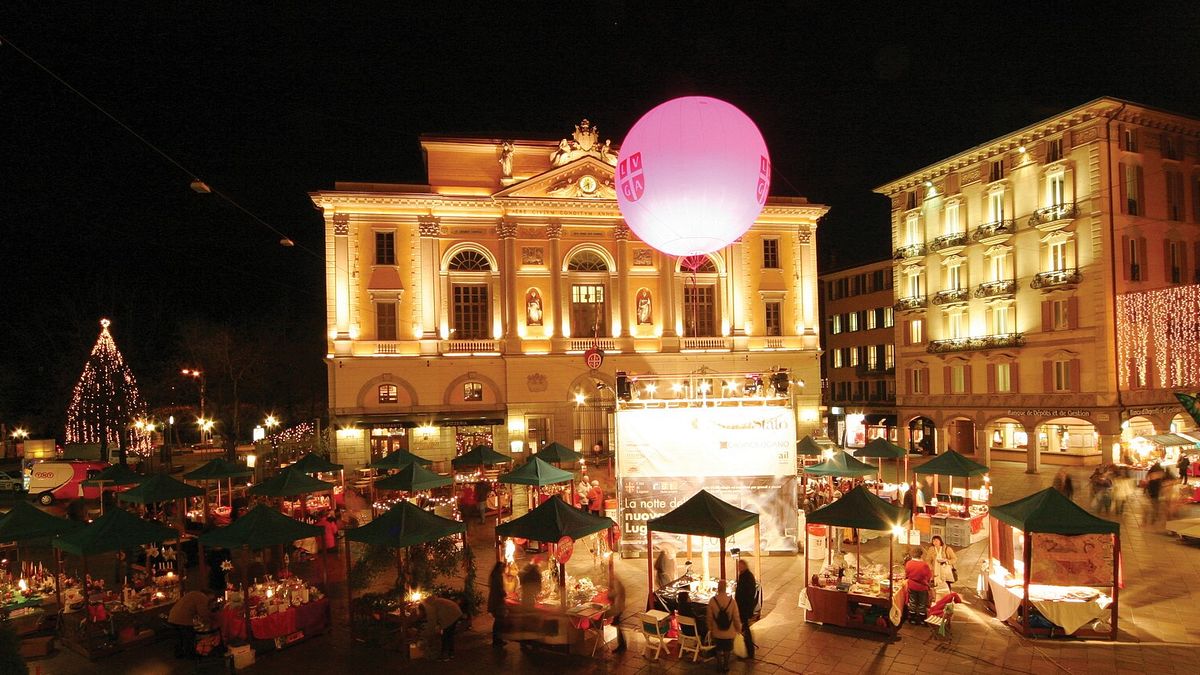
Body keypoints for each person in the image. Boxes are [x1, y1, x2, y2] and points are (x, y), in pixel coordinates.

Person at [167, 589, 214, 658]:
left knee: (179, 637)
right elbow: (203, 613)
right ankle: (190, 655)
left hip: (172, 616)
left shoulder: (193, 593)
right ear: (208, 595)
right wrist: (209, 621)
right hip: (183, 619)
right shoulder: (203, 598)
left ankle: (179, 654)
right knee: (189, 637)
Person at [706, 582, 741, 672]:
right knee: (727, 648)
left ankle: (719, 664)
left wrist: (710, 628)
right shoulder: (731, 601)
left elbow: (709, 616)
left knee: (718, 647)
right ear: (726, 588)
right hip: (729, 631)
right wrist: (738, 628)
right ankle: (726, 665)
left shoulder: (712, 601)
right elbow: (736, 617)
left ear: (718, 588)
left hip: (717, 631)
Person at [420, 594, 463, 662]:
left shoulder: (431, 606)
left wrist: (429, 634)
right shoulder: (437, 601)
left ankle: (444, 655)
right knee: (450, 635)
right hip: (456, 613)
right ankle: (451, 653)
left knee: (445, 636)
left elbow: (432, 621)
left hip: (450, 616)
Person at [734, 559, 757, 660]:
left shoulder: (746, 577)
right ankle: (747, 651)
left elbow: (746, 594)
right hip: (744, 607)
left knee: (745, 629)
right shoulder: (745, 575)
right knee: (745, 629)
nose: (738, 568)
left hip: (744, 607)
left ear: (744, 566)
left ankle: (748, 651)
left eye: (739, 566)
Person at [904, 547, 933, 624]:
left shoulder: (908, 563)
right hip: (922, 587)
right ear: (921, 554)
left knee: (912, 602)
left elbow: (906, 574)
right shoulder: (924, 565)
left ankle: (912, 619)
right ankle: (922, 620)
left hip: (912, 586)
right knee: (922, 603)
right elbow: (929, 576)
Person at [487, 561, 507, 647]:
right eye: (503, 568)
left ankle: (497, 640)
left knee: (498, 622)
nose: (504, 569)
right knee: (499, 622)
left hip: (494, 601)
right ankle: (497, 640)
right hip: (497, 602)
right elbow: (500, 589)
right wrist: (505, 594)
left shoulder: (494, 576)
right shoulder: (498, 577)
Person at [607, 573, 627, 653]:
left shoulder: (616, 583)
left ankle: (622, 645)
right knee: (619, 626)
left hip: (618, 608)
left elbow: (614, 594)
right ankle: (622, 645)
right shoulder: (618, 583)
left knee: (619, 626)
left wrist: (609, 594)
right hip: (620, 607)